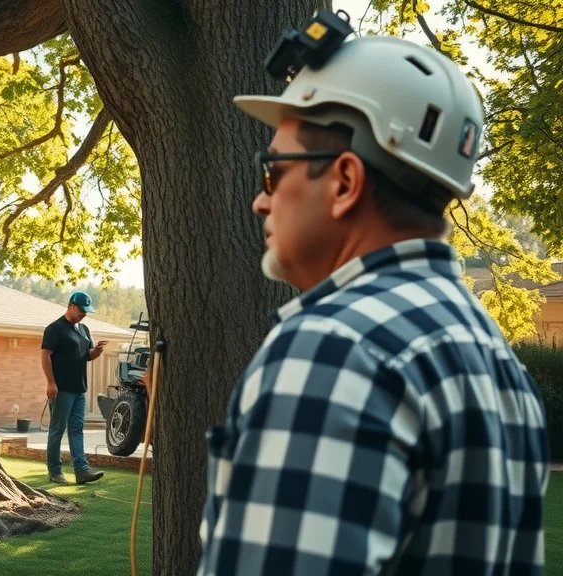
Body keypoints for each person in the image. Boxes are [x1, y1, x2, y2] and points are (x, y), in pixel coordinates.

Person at [198, 26, 549, 576]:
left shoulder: (333, 349)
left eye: (274, 170)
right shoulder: (504, 371)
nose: (260, 200)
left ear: (344, 181)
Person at [41, 291, 108, 485]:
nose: (84, 314)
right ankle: (55, 471)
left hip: (79, 389)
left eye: (87, 311)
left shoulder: (84, 329)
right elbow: (45, 356)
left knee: (77, 429)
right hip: (61, 389)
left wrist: (96, 351)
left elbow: (86, 355)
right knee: (57, 429)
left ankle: (82, 470)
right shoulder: (55, 329)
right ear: (71, 306)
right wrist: (51, 382)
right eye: (81, 310)